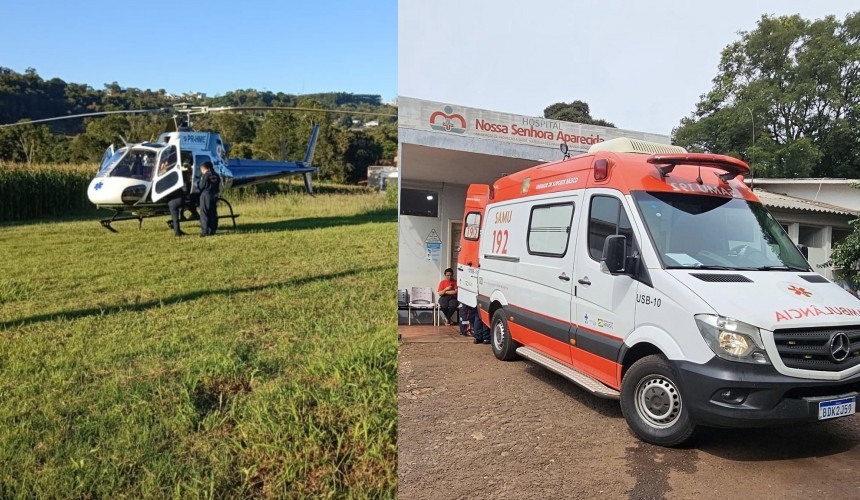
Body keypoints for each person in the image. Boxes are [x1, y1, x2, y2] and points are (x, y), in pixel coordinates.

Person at [197, 161, 221, 236]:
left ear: (204, 168)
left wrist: (197, 184)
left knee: (204, 213)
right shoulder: (217, 175)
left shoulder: (206, 175)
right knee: (213, 213)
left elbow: (202, 186)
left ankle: (205, 231)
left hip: (205, 195)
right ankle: (212, 230)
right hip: (214, 195)